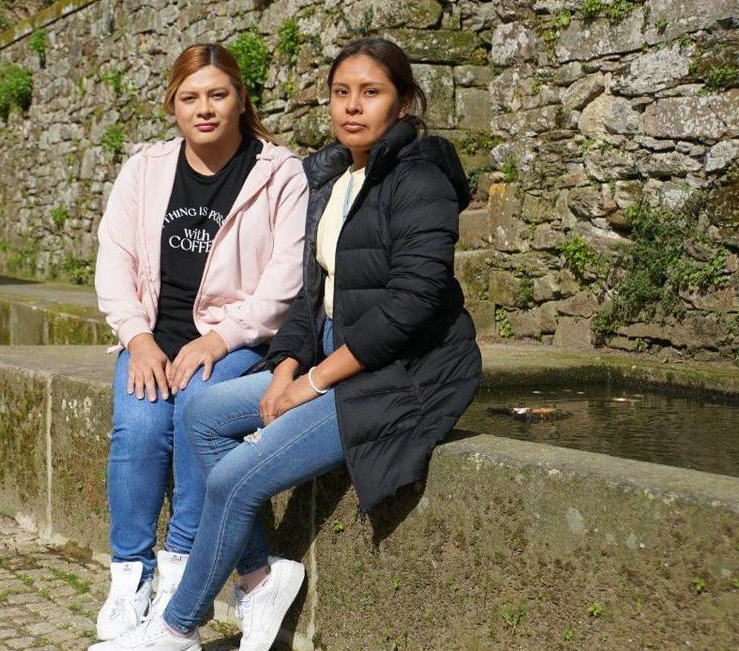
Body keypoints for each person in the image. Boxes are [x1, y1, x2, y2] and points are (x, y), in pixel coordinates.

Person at [90, 38, 482, 651]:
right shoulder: (336, 176)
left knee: (235, 479)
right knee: (198, 412)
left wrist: (315, 380)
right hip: (332, 360)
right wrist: (287, 367)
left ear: (403, 104)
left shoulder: (420, 178)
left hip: (393, 379)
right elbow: (307, 295)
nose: (352, 107)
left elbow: (412, 303)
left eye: (371, 93)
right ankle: (257, 579)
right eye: (340, 93)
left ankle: (175, 627)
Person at [92, 43, 308, 642]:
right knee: (136, 426)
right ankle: (130, 576)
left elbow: (284, 282)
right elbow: (115, 260)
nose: (204, 108)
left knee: (195, 411)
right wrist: (136, 337)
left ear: (241, 99)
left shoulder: (279, 174)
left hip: (238, 339)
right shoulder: (145, 170)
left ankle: (181, 572)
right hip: (154, 339)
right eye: (190, 98)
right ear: (173, 106)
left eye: (218, 94)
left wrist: (218, 340)